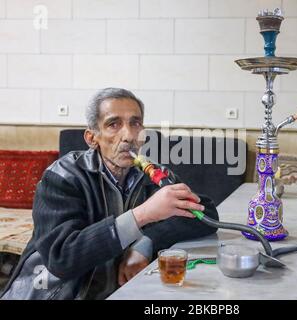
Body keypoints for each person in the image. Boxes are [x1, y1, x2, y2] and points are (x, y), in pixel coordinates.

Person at [1, 88, 218, 300]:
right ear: (92, 138)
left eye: (135, 123)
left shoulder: (152, 175)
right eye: (114, 124)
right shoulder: (62, 177)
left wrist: (146, 242)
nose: (129, 135)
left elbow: (206, 214)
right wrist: (143, 214)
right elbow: (62, 258)